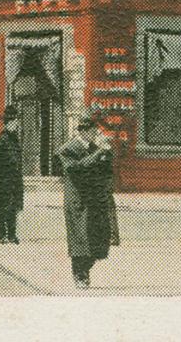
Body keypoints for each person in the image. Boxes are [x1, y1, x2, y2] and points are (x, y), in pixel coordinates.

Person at [57, 112, 115, 288]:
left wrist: (107, 155)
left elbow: (105, 172)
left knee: (97, 239)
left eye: (95, 132)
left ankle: (85, 270)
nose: (94, 135)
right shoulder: (67, 149)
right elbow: (76, 169)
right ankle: (79, 274)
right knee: (81, 240)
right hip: (78, 202)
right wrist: (99, 153)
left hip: (95, 200)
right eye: (92, 132)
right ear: (82, 131)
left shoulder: (94, 148)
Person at [0, 105, 25, 244]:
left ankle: (12, 235)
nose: (16, 125)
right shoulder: (2, 139)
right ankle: (2, 235)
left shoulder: (15, 139)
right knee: (2, 208)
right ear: (8, 123)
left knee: (13, 208)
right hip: (4, 180)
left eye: (17, 122)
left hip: (14, 180)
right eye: (14, 122)